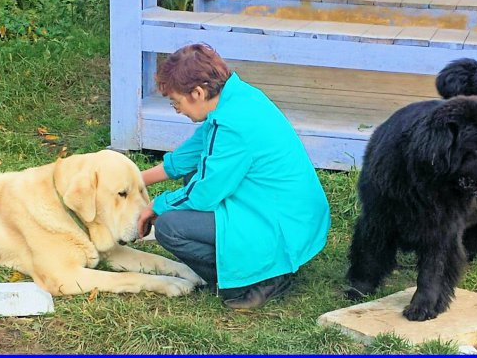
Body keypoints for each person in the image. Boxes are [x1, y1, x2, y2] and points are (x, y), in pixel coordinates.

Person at [137, 43, 331, 310]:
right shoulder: (236, 98)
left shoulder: (232, 126)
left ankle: (259, 279)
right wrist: (137, 179)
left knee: (170, 227)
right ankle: (259, 264)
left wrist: (156, 206)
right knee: (193, 176)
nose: (177, 109)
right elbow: (192, 154)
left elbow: (204, 195)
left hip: (280, 227)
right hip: (290, 216)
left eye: (175, 102)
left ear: (197, 92)